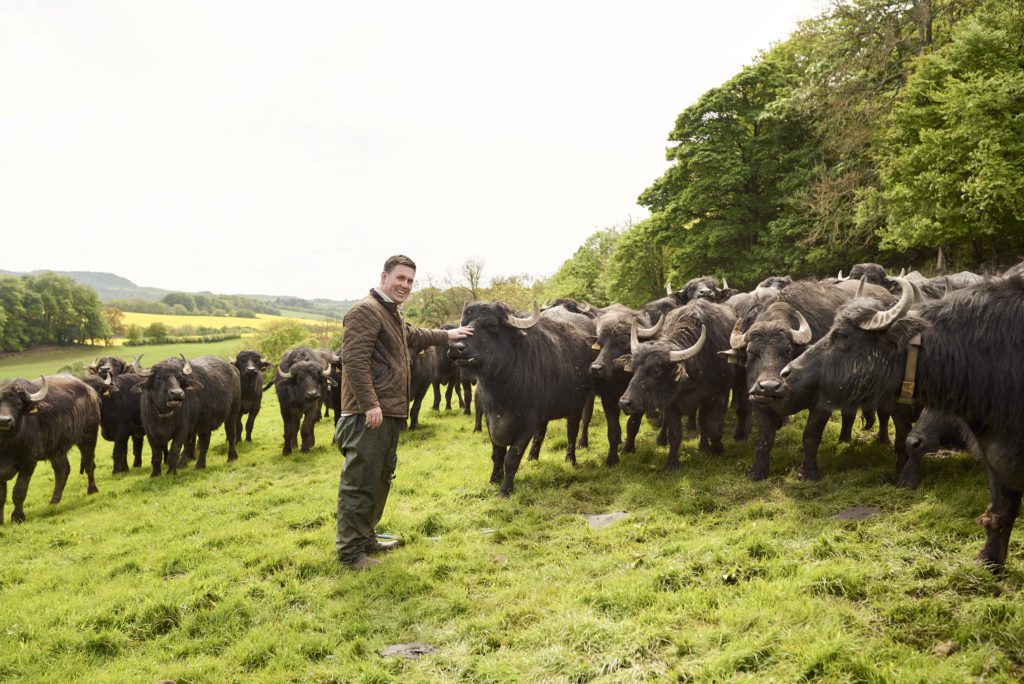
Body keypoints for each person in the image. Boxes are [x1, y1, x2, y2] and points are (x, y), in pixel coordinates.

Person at [335, 254, 473, 570]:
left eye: (410, 281)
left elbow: (414, 335)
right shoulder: (364, 312)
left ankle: (366, 537)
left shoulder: (390, 314)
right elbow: (354, 362)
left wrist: (449, 334)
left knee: (380, 477)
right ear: (384, 277)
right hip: (367, 414)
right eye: (400, 278)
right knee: (360, 481)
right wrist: (370, 404)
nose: (406, 285)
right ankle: (350, 553)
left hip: (389, 413)